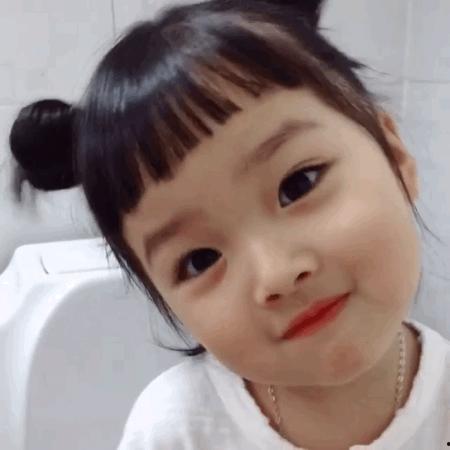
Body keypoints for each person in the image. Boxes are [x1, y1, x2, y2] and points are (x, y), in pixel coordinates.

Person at [11, 0, 450, 448]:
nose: (276, 273)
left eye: (298, 185)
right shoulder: (175, 429)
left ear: (396, 156)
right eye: (200, 260)